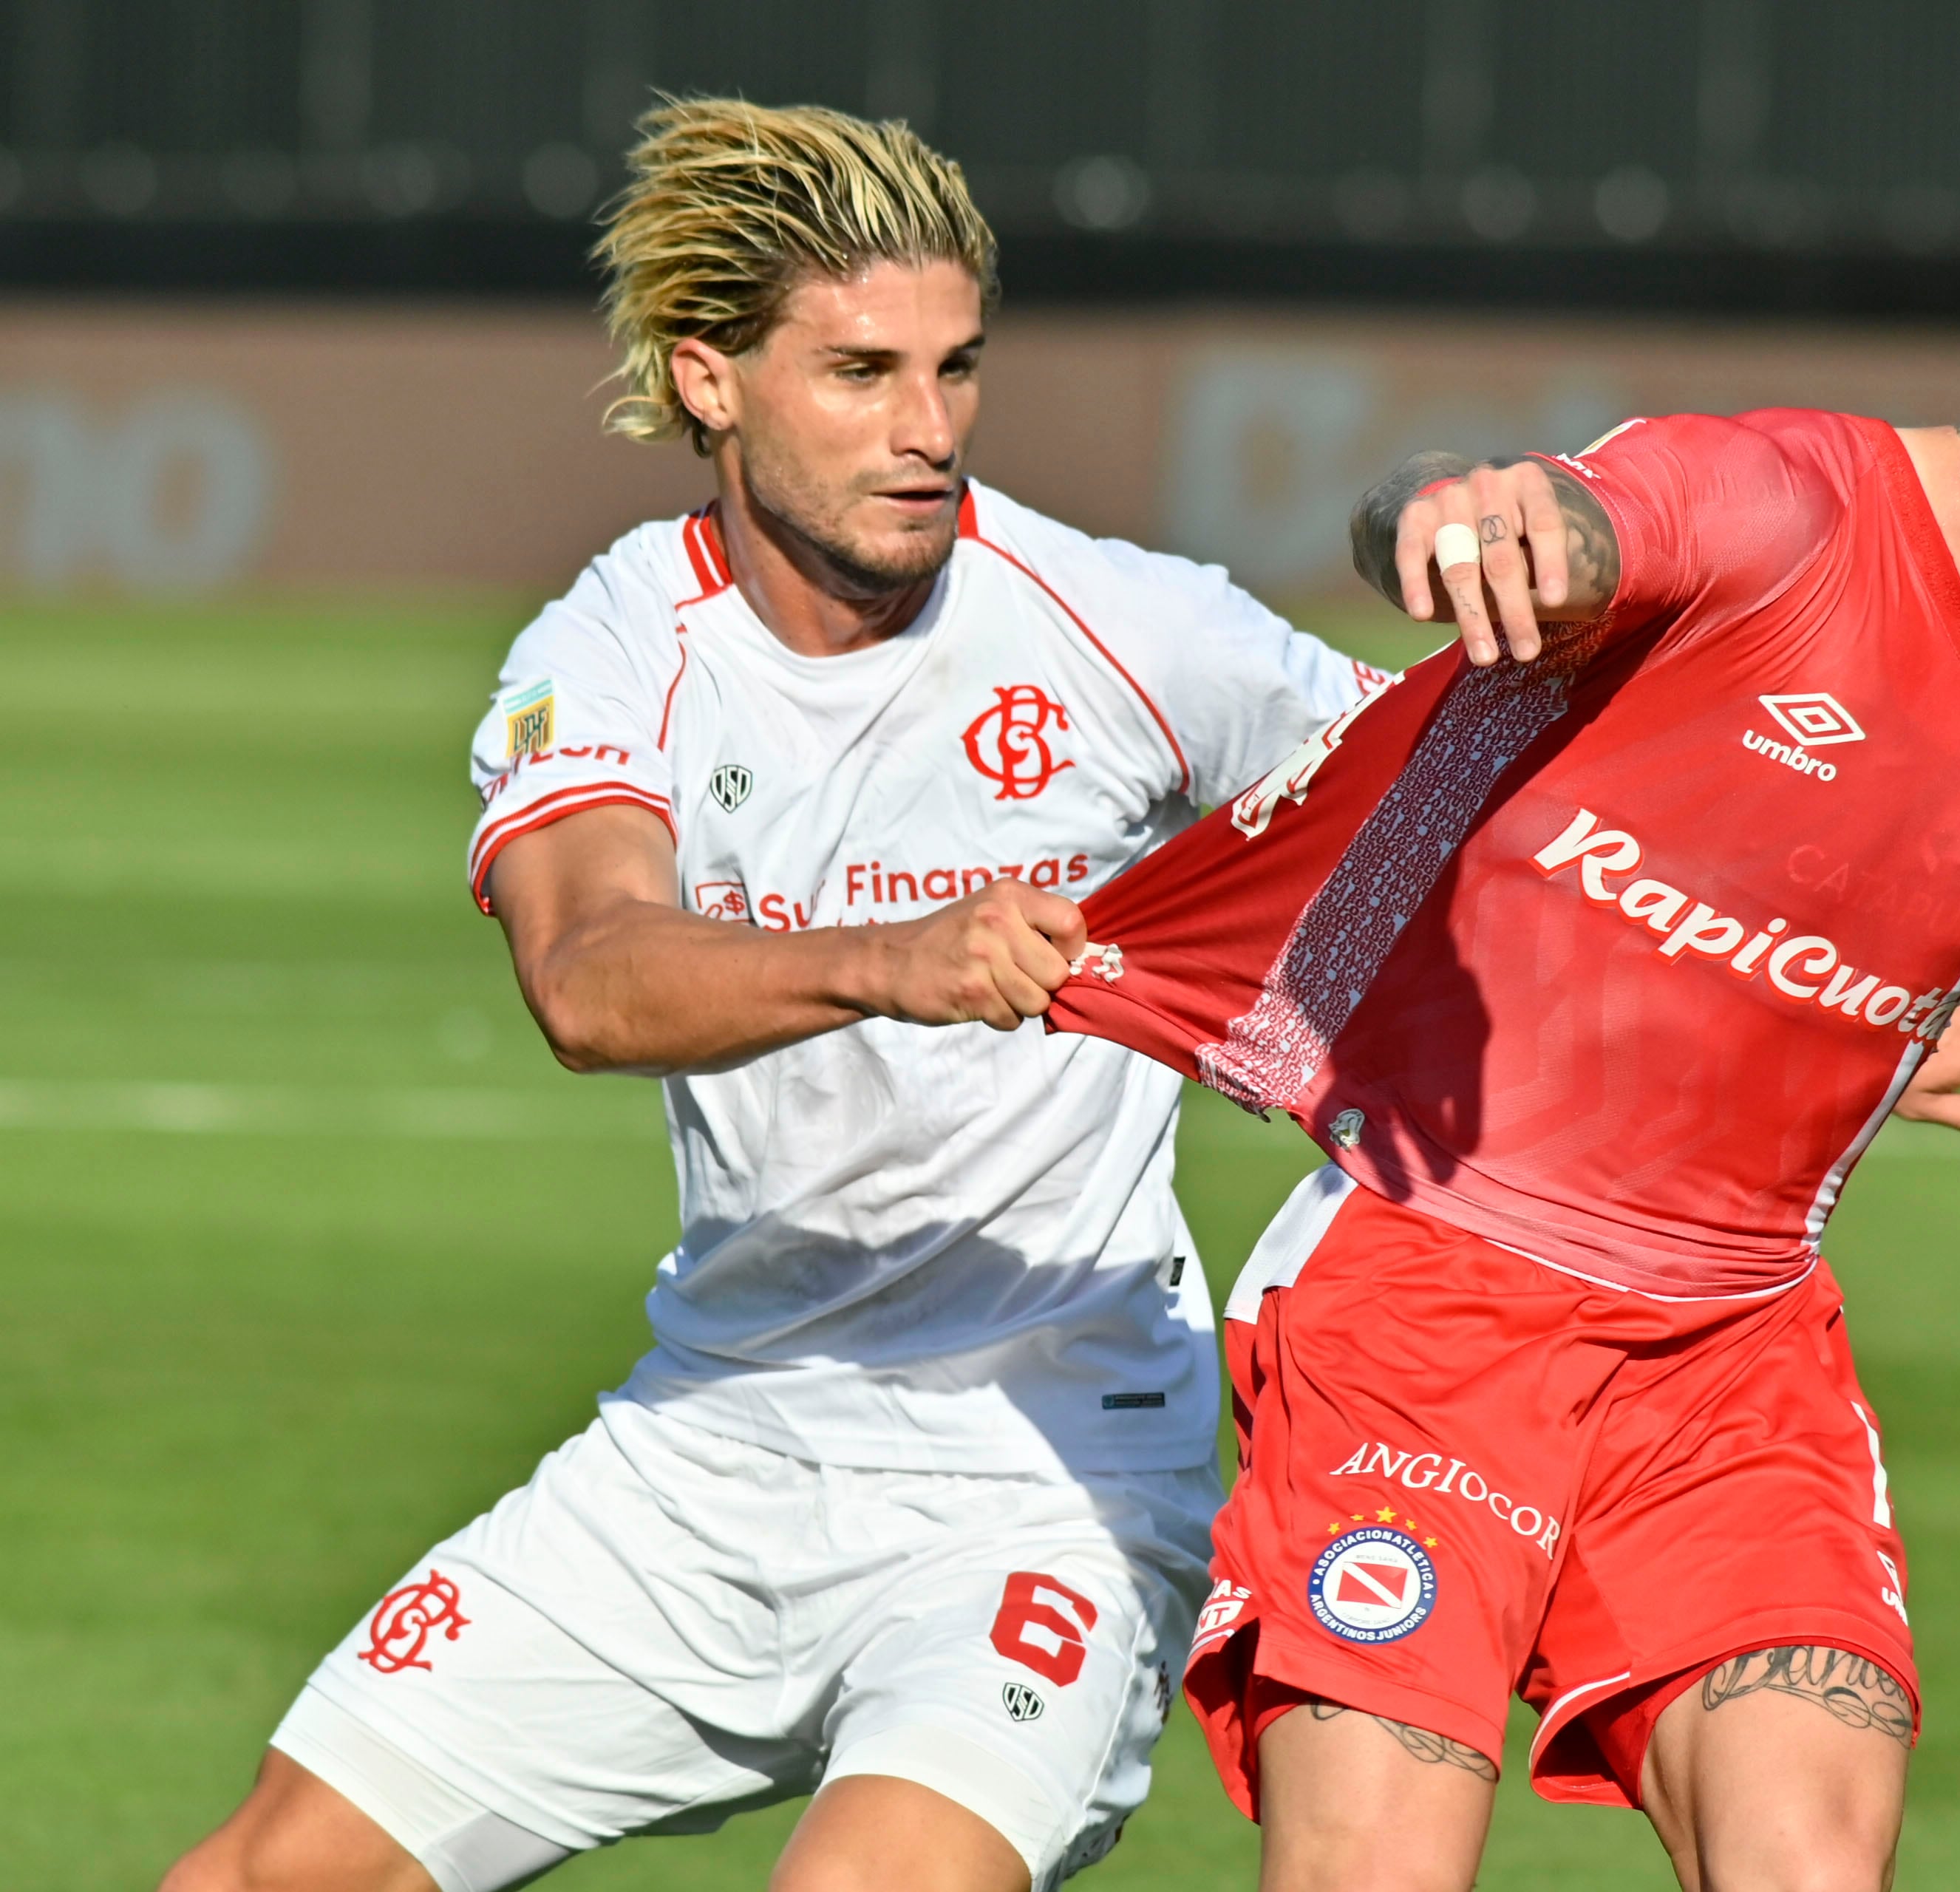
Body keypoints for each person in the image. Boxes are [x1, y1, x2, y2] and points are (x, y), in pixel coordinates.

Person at [1041, 228, 1960, 1891]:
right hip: (1430, 1299)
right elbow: (1531, 512)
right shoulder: (1782, 504)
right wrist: (1456, 514)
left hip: (1735, 1359)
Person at [156, 98, 1403, 1892]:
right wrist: (892, 961)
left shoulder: (1130, 622)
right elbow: (589, 976)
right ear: (711, 381)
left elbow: (1470, 813)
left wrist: (1836, 1007)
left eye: (959, 367)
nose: (930, 430)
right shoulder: (611, 645)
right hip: (712, 1436)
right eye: (861, 371)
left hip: (1039, 1480)